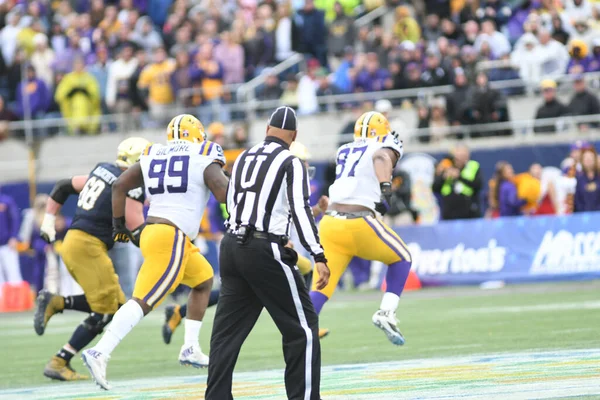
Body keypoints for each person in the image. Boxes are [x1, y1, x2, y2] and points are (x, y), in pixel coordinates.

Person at [82, 114, 229, 390]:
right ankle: (99, 351)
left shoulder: (153, 152)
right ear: (196, 134)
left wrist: (118, 226)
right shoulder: (203, 152)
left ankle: (190, 347)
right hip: (171, 236)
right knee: (144, 301)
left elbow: (119, 185)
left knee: (203, 280)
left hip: (157, 231)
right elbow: (222, 192)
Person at [205, 106, 329, 400]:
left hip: (231, 245)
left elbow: (233, 201)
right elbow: (300, 210)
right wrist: (318, 254)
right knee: (304, 330)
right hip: (264, 248)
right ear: (294, 136)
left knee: (226, 335)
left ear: (266, 130)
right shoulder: (291, 162)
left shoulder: (244, 156)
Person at [35, 137, 149, 381]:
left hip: (75, 242)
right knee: (108, 309)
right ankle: (58, 344)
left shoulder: (103, 171)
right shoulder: (131, 185)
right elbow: (137, 230)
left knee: (116, 307)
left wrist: (48, 220)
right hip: (89, 246)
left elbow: (64, 186)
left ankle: (60, 339)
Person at [308, 111, 411, 347]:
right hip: (358, 221)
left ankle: (302, 331)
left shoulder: (344, 149)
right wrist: (386, 188)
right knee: (402, 258)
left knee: (321, 285)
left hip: (330, 223)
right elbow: (382, 158)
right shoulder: (384, 143)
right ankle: (386, 312)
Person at [432, 144, 483, 220]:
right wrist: (444, 177)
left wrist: (459, 177)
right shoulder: (445, 166)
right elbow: (435, 187)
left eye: (463, 156)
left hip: (469, 213)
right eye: (458, 156)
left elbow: (478, 185)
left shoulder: (473, 166)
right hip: (449, 212)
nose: (460, 159)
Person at [0, 191, 22, 285]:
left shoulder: (6, 201)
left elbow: (15, 219)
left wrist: (13, 236)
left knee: (13, 274)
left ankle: (17, 299)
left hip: (7, 244)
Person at [574, 148, 600, 212]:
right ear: (582, 161)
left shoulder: (598, 177)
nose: (588, 160)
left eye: (591, 158)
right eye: (586, 158)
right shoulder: (578, 178)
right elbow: (577, 200)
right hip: (583, 215)